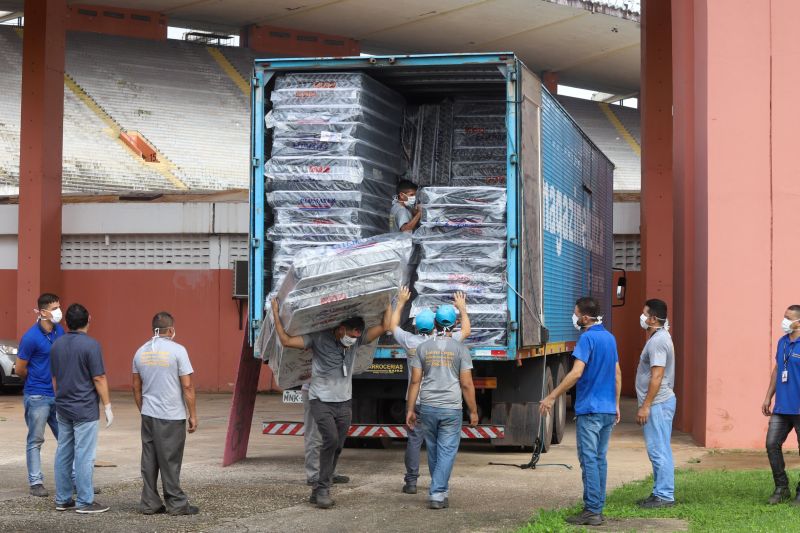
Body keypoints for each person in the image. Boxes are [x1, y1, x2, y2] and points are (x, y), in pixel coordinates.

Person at [271, 298, 390, 509]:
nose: (353, 340)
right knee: (330, 439)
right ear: (341, 328)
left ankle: (319, 488)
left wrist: (388, 301)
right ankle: (323, 488)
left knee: (337, 446)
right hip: (321, 400)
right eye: (351, 335)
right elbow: (288, 341)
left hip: (344, 402)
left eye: (356, 337)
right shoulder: (319, 338)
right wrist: (275, 314)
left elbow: (384, 326)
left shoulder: (355, 341)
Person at [539, 297, 621, 527]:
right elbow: (617, 373)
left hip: (591, 410)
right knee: (599, 459)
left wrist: (552, 396)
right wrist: (615, 404)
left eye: (575, 313)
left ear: (585, 318)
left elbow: (576, 374)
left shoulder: (587, 339)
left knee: (589, 460)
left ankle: (592, 510)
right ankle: (597, 507)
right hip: (606, 411)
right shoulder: (610, 338)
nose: (573, 317)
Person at [389, 286, 470, 495]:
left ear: (416, 327)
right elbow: (467, 331)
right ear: (434, 326)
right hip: (438, 401)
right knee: (441, 446)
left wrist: (400, 302)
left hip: (414, 400)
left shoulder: (410, 342)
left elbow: (392, 326)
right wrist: (462, 309)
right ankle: (438, 485)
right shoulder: (447, 343)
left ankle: (411, 481)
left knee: (414, 441)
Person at [406, 304, 478, 510]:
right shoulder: (460, 349)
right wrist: (473, 410)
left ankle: (442, 490)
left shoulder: (423, 348)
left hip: (427, 406)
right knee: (446, 451)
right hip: (451, 408)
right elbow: (466, 384)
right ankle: (437, 493)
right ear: (454, 324)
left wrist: (411, 409)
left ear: (434, 324)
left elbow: (415, 382)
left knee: (434, 450)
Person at [132, 312, 199, 516]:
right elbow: (187, 386)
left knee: (149, 459)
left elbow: (136, 387)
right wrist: (193, 414)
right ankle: (176, 503)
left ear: (154, 329)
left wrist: (144, 409)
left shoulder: (140, 352)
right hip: (171, 415)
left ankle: (150, 503)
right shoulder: (178, 351)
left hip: (148, 415)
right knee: (170, 460)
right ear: (170, 330)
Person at [50, 303, 112, 514]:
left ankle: (63, 498)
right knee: (84, 455)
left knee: (64, 452)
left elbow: (55, 377)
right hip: (84, 408)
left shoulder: (57, 344)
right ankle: (85, 501)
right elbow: (99, 377)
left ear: (66, 322)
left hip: (63, 405)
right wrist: (108, 405)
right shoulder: (91, 345)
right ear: (89, 320)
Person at [16, 293, 64, 497]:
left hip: (58, 395)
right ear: (43, 312)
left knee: (66, 438)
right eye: (54, 308)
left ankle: (74, 479)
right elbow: (19, 369)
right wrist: (36, 378)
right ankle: (36, 482)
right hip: (37, 395)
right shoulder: (30, 337)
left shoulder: (59, 330)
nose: (58, 312)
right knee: (35, 440)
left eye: (59, 307)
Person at [635, 299, 676, 509]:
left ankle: (665, 495)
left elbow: (657, 376)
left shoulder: (658, 340)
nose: (641, 317)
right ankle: (659, 491)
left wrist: (646, 405)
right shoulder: (657, 338)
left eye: (644, 314)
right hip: (658, 403)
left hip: (658, 404)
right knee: (659, 448)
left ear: (653, 318)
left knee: (658, 449)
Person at [762, 304, 800, 505]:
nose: (784, 321)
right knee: (771, 444)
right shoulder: (782, 342)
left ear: (798, 322)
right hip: (782, 406)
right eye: (784, 316)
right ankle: (781, 487)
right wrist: (768, 396)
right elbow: (778, 369)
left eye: (788, 317)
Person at [302, 382, 349, 487]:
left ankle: (328, 473)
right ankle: (313, 475)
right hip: (315, 393)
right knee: (315, 435)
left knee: (331, 438)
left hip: (334, 395)